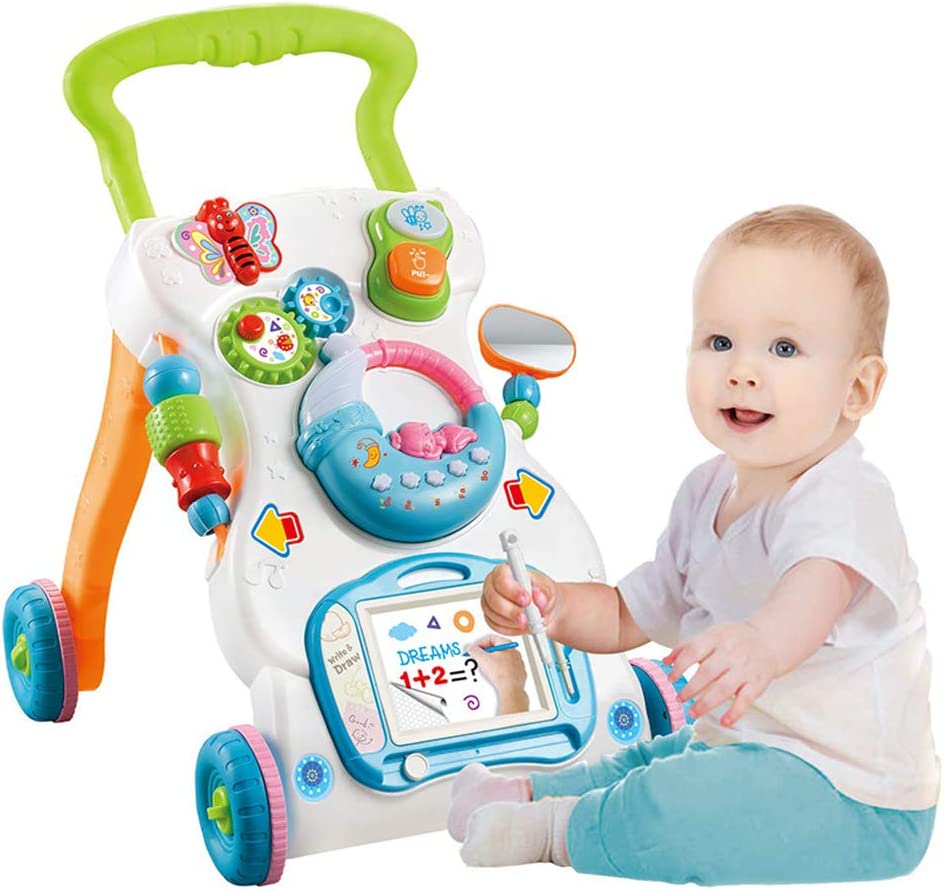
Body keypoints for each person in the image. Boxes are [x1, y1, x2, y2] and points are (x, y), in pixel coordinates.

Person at [448, 206, 939, 883]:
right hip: (744, 752)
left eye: (784, 348)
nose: (742, 370)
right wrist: (554, 604)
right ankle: (532, 790)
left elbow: (817, 588)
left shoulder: (846, 495)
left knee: (672, 803)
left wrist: (763, 643)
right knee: (659, 758)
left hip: (855, 797)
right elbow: (628, 614)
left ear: (858, 388)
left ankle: (554, 830)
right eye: (719, 341)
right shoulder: (706, 491)